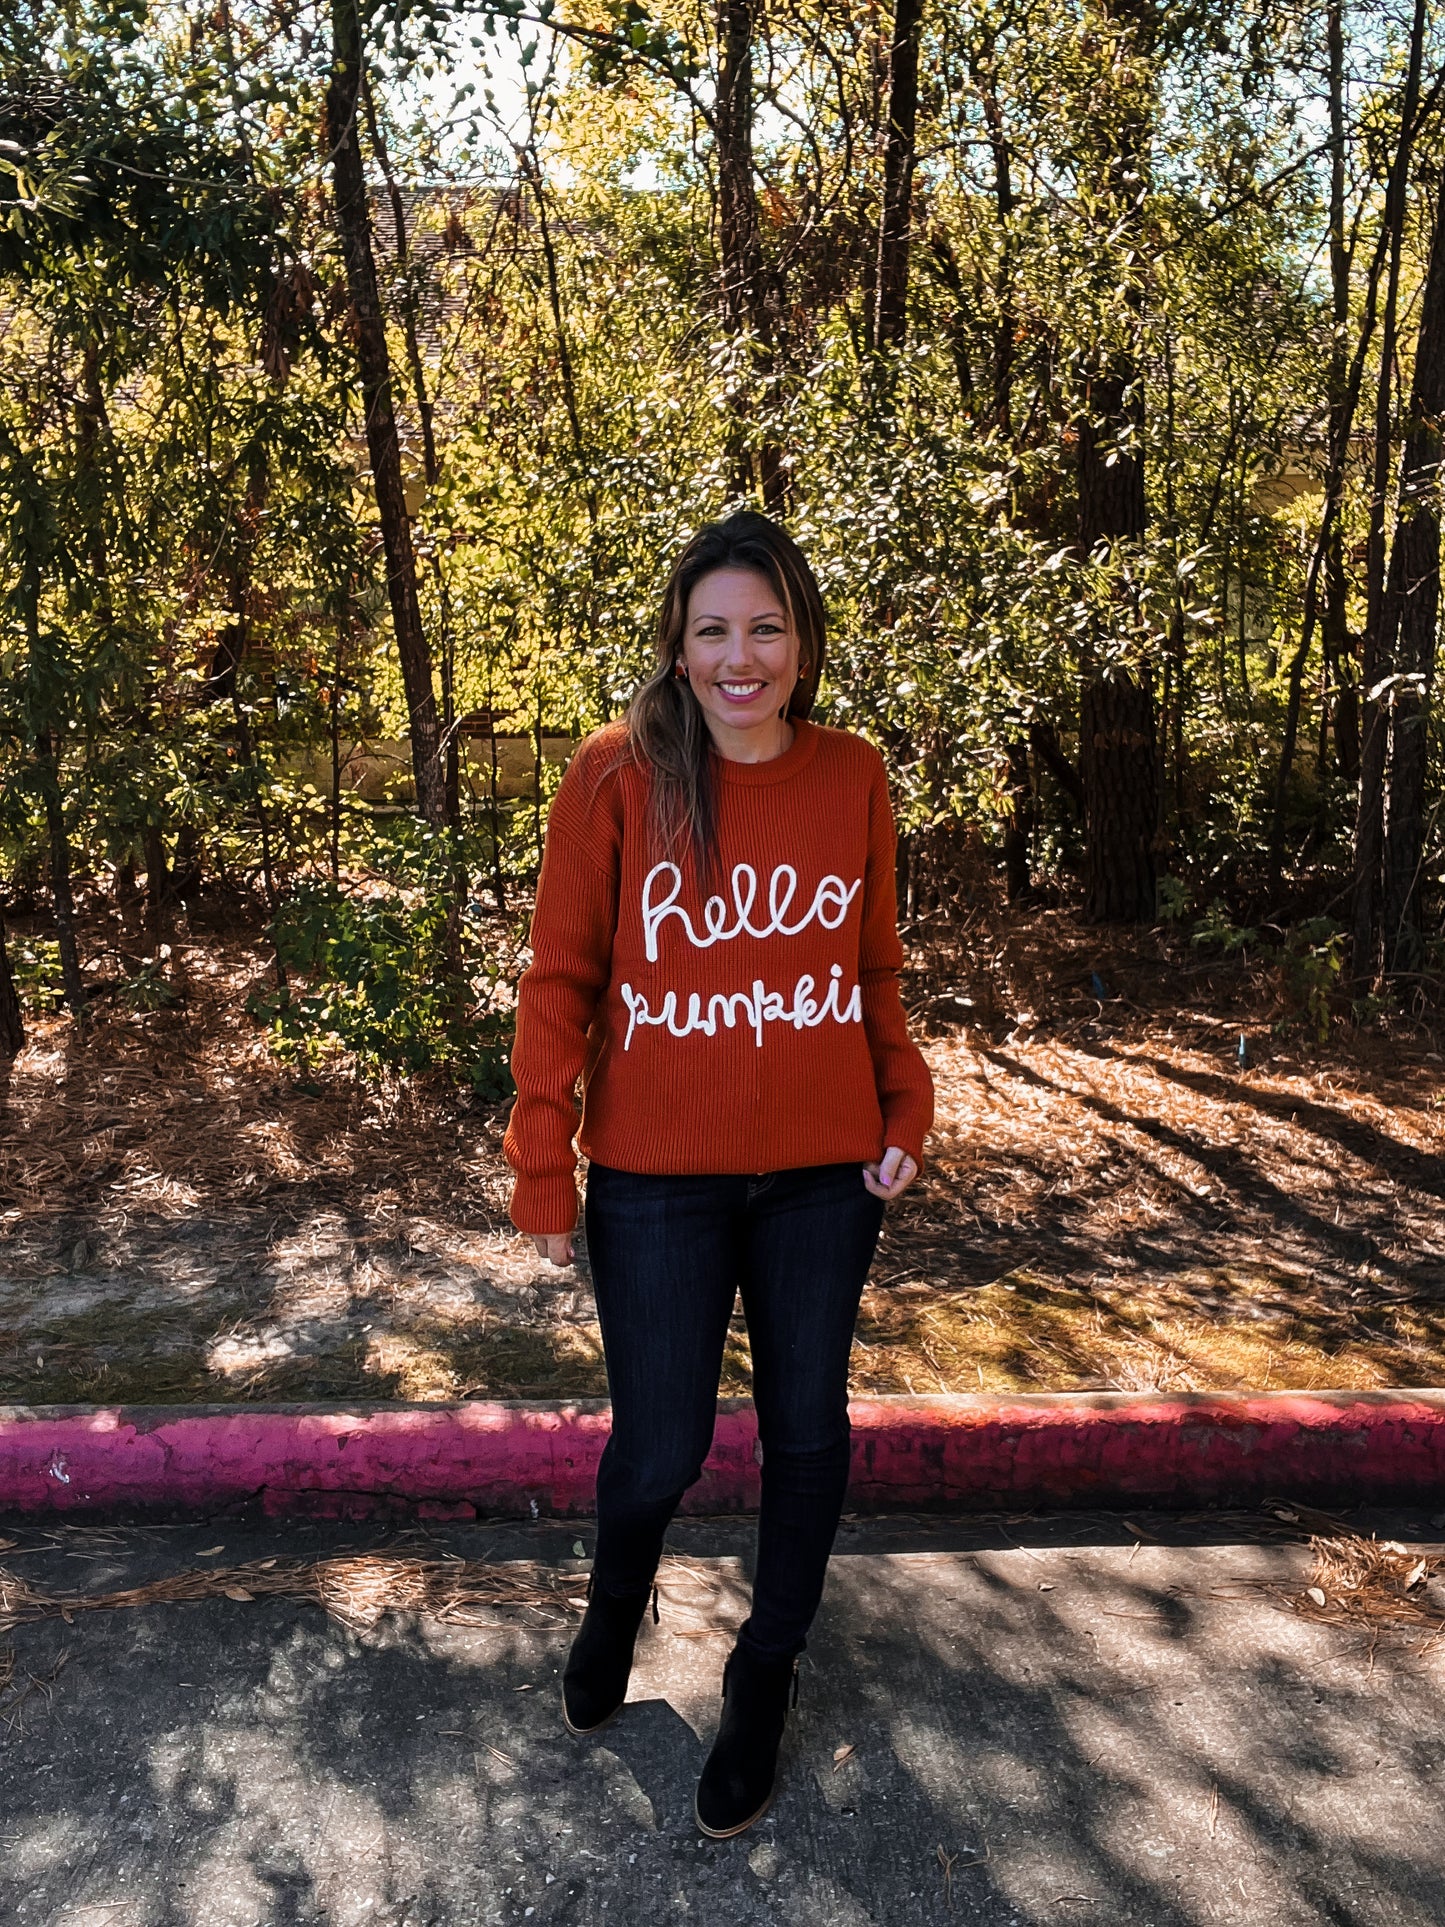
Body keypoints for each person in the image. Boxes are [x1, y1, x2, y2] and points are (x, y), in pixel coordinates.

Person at [502, 510, 934, 1838]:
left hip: (821, 1175)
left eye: (766, 628)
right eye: (713, 631)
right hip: (654, 1181)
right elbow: (559, 977)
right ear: (678, 649)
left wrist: (905, 1097)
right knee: (661, 1448)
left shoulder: (852, 773)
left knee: (807, 1431)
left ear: (802, 642)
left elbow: (871, 965)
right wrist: (540, 1160)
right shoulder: (616, 774)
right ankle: (612, 1600)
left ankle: (764, 1669)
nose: (740, 656)